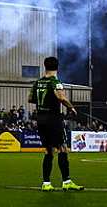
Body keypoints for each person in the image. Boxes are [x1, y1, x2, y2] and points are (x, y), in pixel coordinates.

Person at [29, 56, 84, 192]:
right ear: (57, 67)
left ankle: (46, 183)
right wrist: (71, 107)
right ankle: (66, 181)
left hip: (40, 119)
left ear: (45, 66)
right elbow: (60, 96)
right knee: (62, 148)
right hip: (53, 119)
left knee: (48, 151)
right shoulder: (55, 81)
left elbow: (30, 98)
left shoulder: (38, 82)